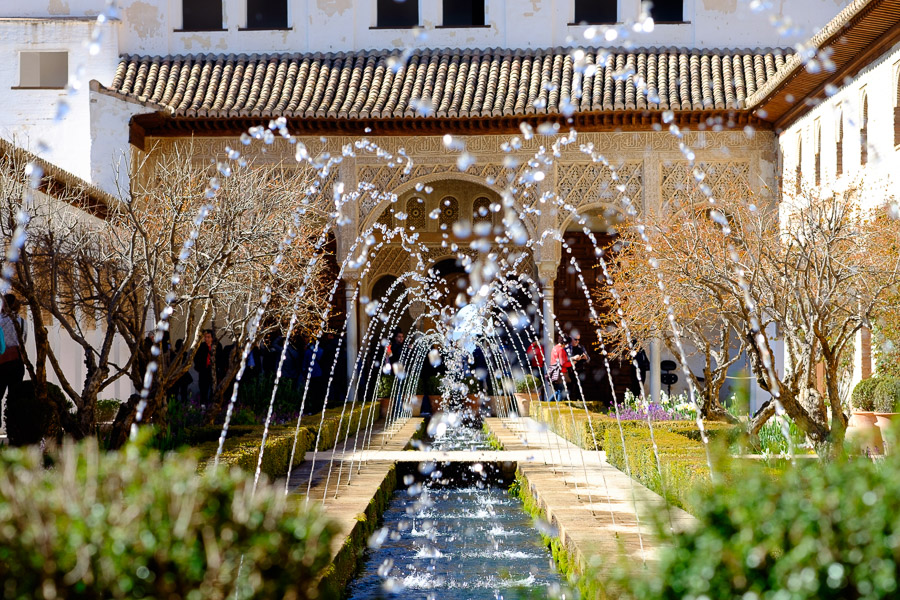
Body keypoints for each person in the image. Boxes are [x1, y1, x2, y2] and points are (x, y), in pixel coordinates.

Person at [0, 294, 27, 405]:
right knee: (14, 398)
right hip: (16, 361)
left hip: (1, 362)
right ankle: (12, 422)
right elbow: (23, 341)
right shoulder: (22, 322)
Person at [193, 329, 222, 403]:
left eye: (208, 337)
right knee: (203, 389)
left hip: (213, 371)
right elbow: (196, 358)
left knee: (214, 390)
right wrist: (199, 368)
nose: (206, 339)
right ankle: (203, 406)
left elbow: (220, 358)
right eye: (205, 337)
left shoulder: (217, 346)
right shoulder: (201, 346)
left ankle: (212, 405)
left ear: (212, 338)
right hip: (203, 371)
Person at [566, 332, 591, 403]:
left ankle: (579, 402)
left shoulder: (581, 347)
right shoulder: (567, 347)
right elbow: (564, 359)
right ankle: (569, 403)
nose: (577, 341)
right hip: (570, 371)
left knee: (580, 389)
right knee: (569, 388)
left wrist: (585, 358)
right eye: (575, 339)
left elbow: (589, 359)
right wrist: (573, 358)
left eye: (578, 340)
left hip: (580, 370)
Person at [548, 334, 572, 402]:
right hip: (561, 374)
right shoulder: (561, 350)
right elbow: (563, 363)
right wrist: (572, 363)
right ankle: (559, 406)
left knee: (558, 391)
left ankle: (548, 403)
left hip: (554, 372)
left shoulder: (555, 348)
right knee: (561, 391)